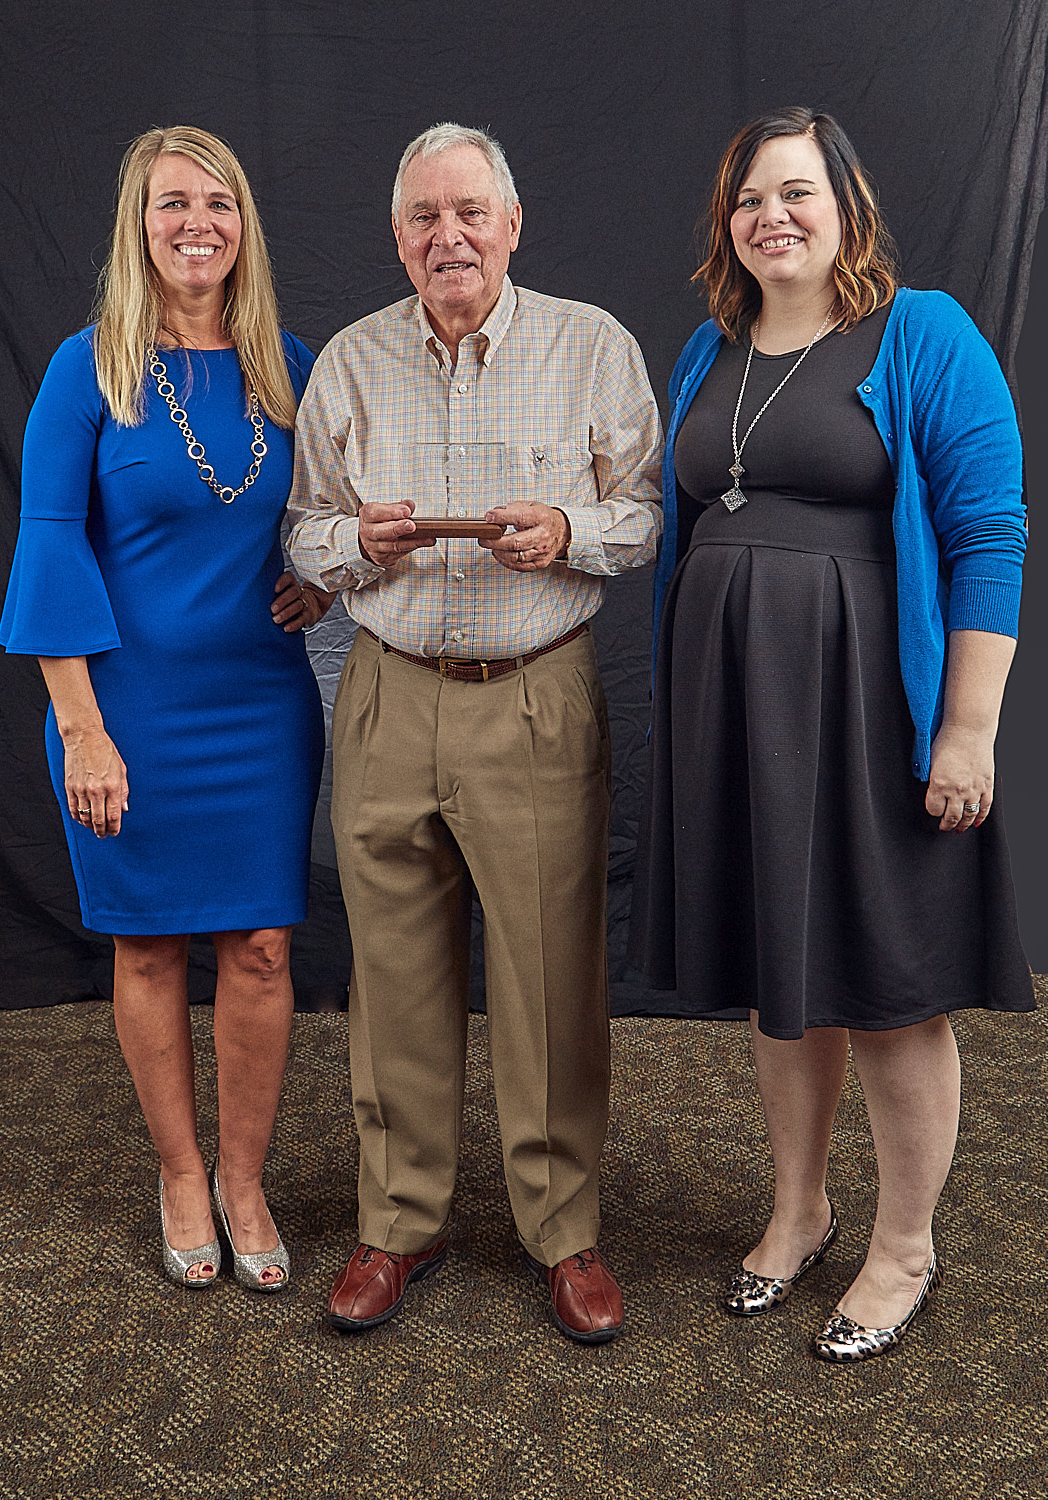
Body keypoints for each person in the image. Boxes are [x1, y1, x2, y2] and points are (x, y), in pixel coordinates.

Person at [628, 107, 1033, 1362]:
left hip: (872, 710)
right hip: (740, 715)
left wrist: (966, 731)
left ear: (847, 206)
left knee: (891, 990)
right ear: (727, 225)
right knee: (782, 982)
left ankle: (905, 1246)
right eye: (751, 199)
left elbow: (991, 535)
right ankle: (796, 1212)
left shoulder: (923, 334)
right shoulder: (711, 349)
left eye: (798, 192)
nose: (774, 217)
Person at [287, 122, 662, 1342]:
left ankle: (565, 1230)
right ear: (398, 240)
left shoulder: (591, 345)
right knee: (392, 970)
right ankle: (400, 1221)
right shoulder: (347, 363)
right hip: (389, 689)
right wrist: (357, 546)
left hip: (535, 689)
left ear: (512, 223)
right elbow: (306, 534)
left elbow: (646, 514)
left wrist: (565, 530)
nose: (447, 236)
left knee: (550, 970)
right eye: (422, 219)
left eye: (469, 213)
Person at [0, 126, 331, 1291]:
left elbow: (323, 509)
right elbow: (48, 546)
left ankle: (245, 1178)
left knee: (259, 944)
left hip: (261, 704)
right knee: (147, 944)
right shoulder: (86, 368)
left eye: (219, 203)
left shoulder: (285, 362)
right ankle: (181, 1173)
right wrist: (83, 730)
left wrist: (321, 577)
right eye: (171, 204)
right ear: (136, 229)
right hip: (124, 706)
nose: (198, 223)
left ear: (244, 226)